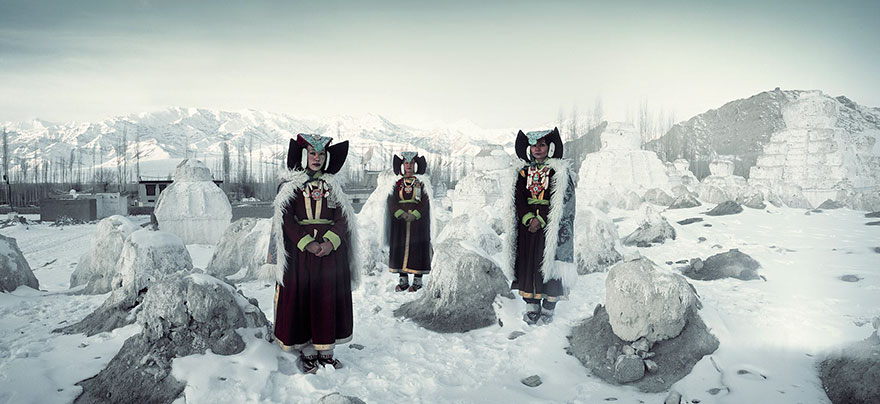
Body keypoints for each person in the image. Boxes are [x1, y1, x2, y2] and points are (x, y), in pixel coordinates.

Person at [265, 133, 360, 374]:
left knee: (327, 299)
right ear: (304, 155)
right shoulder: (290, 186)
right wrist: (306, 242)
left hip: (331, 255)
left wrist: (330, 242)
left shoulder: (334, 186)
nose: (316, 158)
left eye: (321, 154)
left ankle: (326, 350)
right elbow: (285, 219)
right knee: (303, 299)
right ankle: (307, 349)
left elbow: (343, 218)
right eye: (312, 153)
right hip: (300, 256)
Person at [503, 127, 576, 325]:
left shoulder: (558, 172)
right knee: (529, 262)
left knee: (549, 263)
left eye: (542, 145)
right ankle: (532, 303)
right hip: (527, 227)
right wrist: (528, 218)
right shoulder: (523, 172)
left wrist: (541, 219)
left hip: (550, 225)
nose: (537, 149)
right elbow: (517, 197)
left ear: (550, 147)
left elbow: (561, 201)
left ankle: (549, 305)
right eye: (534, 145)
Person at [385, 151, 433, 292]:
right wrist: (400, 213)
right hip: (400, 222)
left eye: (412, 163)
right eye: (406, 163)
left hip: (418, 223)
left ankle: (417, 281)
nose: (409, 166)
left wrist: (416, 214)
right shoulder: (397, 183)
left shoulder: (421, 183)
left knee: (417, 248)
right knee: (400, 248)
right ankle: (403, 280)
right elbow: (391, 200)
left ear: (415, 165)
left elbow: (425, 201)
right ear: (402, 165)